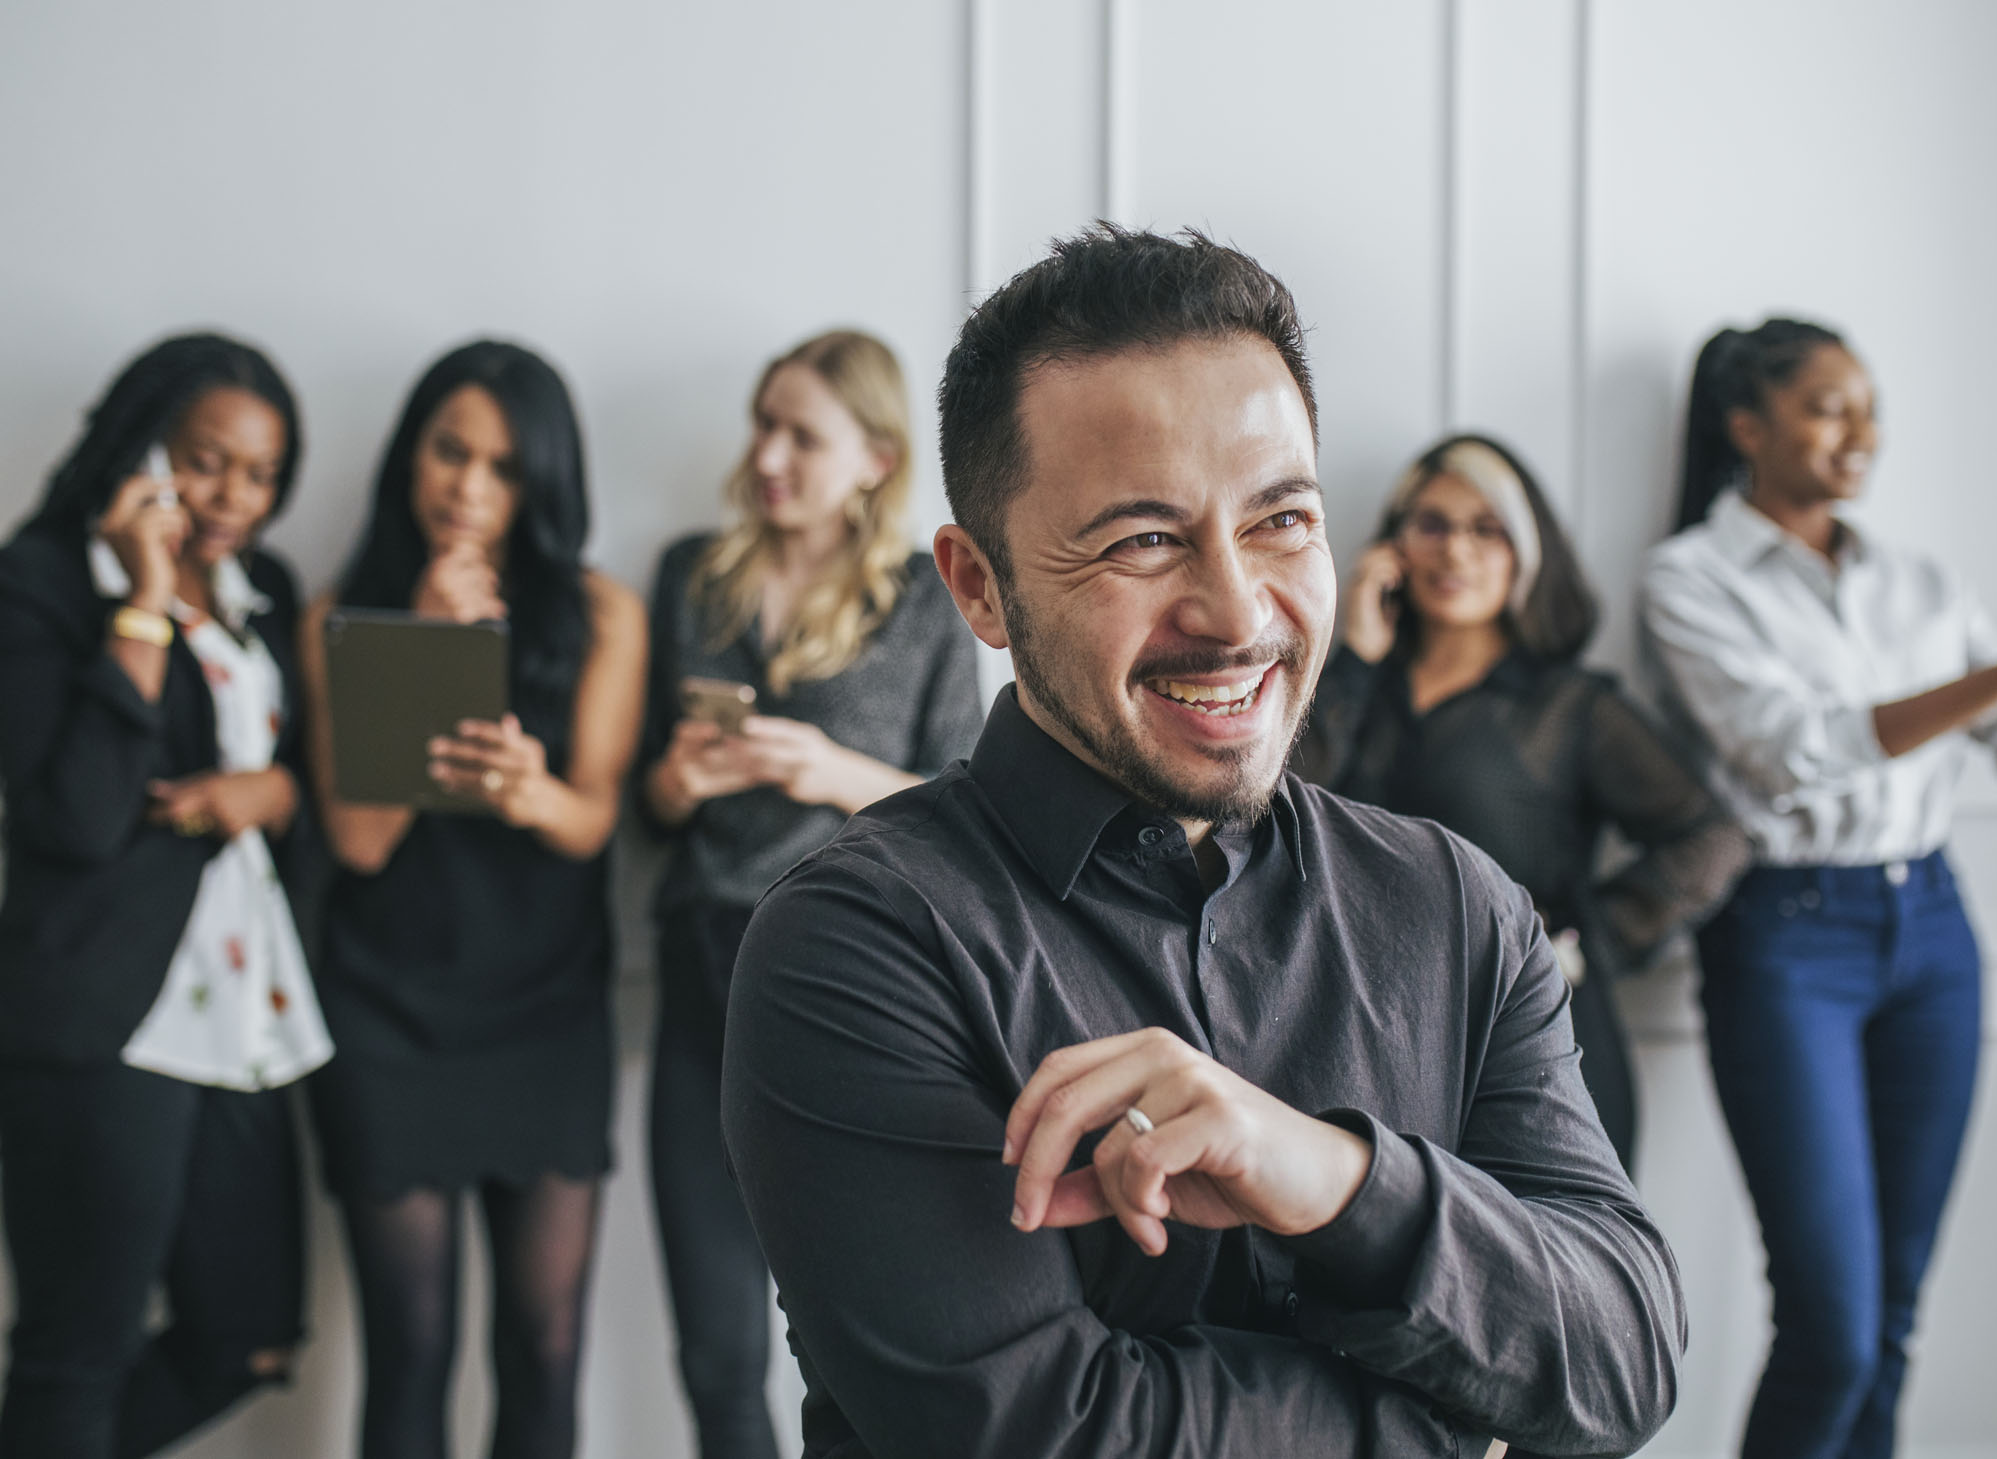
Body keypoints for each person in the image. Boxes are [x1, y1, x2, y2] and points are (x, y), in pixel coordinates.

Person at [720, 227, 1685, 1457]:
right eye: (1140, 540)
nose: (1236, 613)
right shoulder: (853, 944)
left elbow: (1622, 1355)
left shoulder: (1456, 907)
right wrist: (1454, 1416)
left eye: (1281, 521)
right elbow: (1041, 1436)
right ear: (978, 587)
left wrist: (1332, 1179)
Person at [1642, 319, 1994, 1459]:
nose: (1859, 433)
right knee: (1830, 1328)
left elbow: (1982, 731)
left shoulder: (1917, 582)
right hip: (1790, 938)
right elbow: (1789, 746)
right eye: (1826, 406)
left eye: (1868, 407)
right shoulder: (1688, 577)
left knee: (1890, 1323)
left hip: (1933, 927)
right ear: (1748, 427)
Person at [638, 329, 983, 1459]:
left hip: (854, 986)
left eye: (800, 433)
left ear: (875, 458)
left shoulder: (924, 599)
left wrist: (826, 774)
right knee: (713, 1347)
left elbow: (963, 809)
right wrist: (676, 784)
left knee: (849, 1344)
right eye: (762, 423)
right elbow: (644, 795)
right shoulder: (693, 577)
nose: (767, 454)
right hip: (701, 972)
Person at [299, 341, 646, 1459]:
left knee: (543, 1348)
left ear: (542, 482)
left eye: (503, 467)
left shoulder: (600, 613)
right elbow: (356, 838)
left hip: (545, 1007)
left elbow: (592, 818)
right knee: (411, 1345)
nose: (469, 488)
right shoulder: (336, 615)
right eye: (450, 452)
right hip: (386, 1006)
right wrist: (432, 650)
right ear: (412, 454)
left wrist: (523, 790)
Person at [0, 333, 329, 1457]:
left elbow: (303, 784)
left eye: (261, 473)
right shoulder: (44, 579)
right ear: (141, 448)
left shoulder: (264, 590)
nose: (235, 497)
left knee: (248, 1334)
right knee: (75, 1347)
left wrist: (270, 788)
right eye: (206, 461)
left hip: (239, 1011)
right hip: (99, 1011)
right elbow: (77, 817)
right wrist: (141, 602)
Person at [1294, 433, 1747, 1171]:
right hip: (1357, 1045)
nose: (1456, 551)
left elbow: (1712, 834)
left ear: (1527, 551)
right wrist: (1354, 658)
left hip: (1533, 1050)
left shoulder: (1570, 707)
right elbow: (1267, 810)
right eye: (1432, 523)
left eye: (1487, 528)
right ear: (1396, 544)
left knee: (1548, 1279)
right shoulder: (1350, 689)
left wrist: (1590, 939)